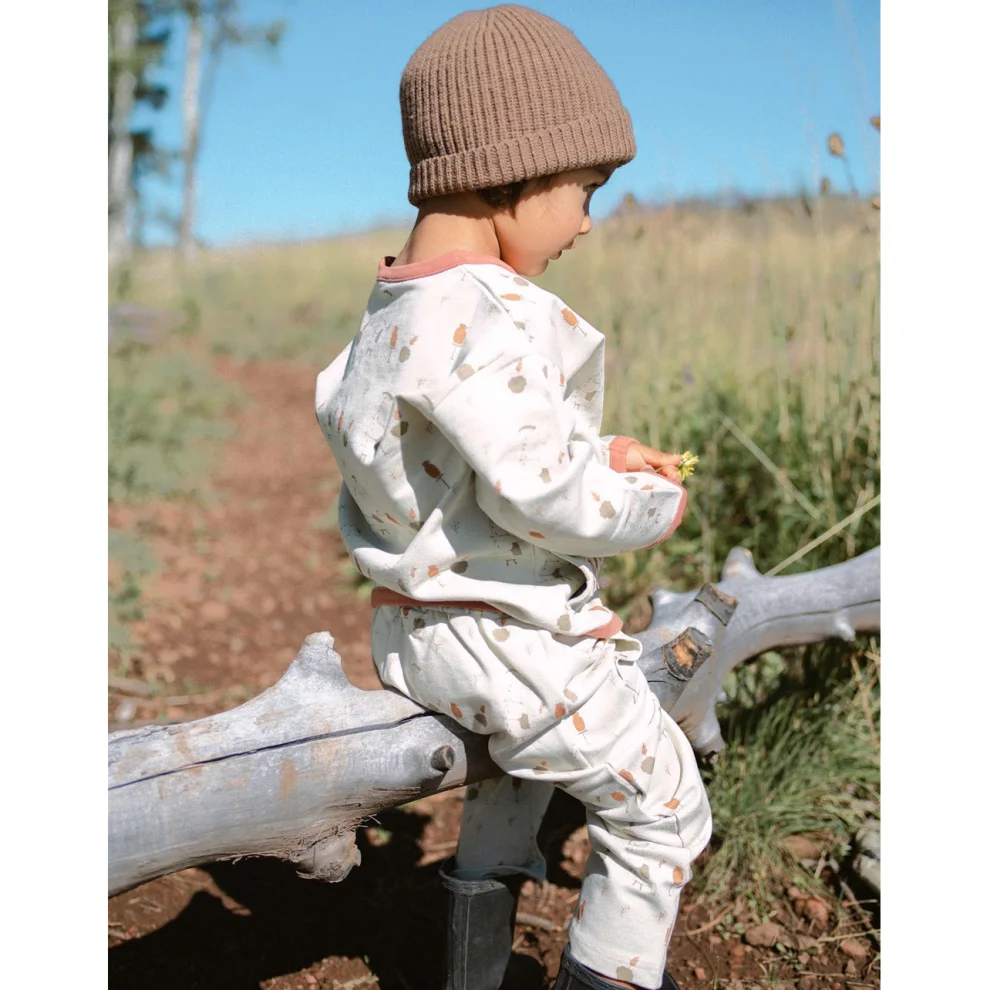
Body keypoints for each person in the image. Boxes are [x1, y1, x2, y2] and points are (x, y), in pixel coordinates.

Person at [315, 6, 712, 988]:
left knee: (520, 784)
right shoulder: (488, 316)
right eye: (584, 188)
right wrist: (648, 506)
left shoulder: (397, 306)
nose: (586, 219)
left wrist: (603, 447)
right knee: (665, 806)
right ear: (508, 176)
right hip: (506, 634)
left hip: (422, 627)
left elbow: (468, 452)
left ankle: (473, 972)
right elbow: (551, 498)